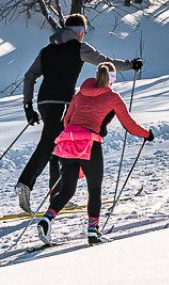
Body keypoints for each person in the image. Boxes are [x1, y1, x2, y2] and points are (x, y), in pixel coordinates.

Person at [16, 13, 139, 213]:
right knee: (49, 144)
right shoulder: (79, 48)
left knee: (59, 144)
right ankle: (25, 183)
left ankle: (57, 194)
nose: (83, 36)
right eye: (83, 32)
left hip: (44, 101)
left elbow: (30, 76)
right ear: (78, 32)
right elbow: (105, 63)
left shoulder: (47, 50)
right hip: (63, 102)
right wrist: (130, 64)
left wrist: (28, 106)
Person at [39, 61, 152, 246]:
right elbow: (129, 125)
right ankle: (93, 232)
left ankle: (46, 220)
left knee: (67, 190)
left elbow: (67, 120)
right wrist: (147, 134)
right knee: (94, 189)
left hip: (67, 143)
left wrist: (77, 132)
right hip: (89, 144)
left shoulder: (80, 93)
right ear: (111, 78)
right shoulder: (113, 97)